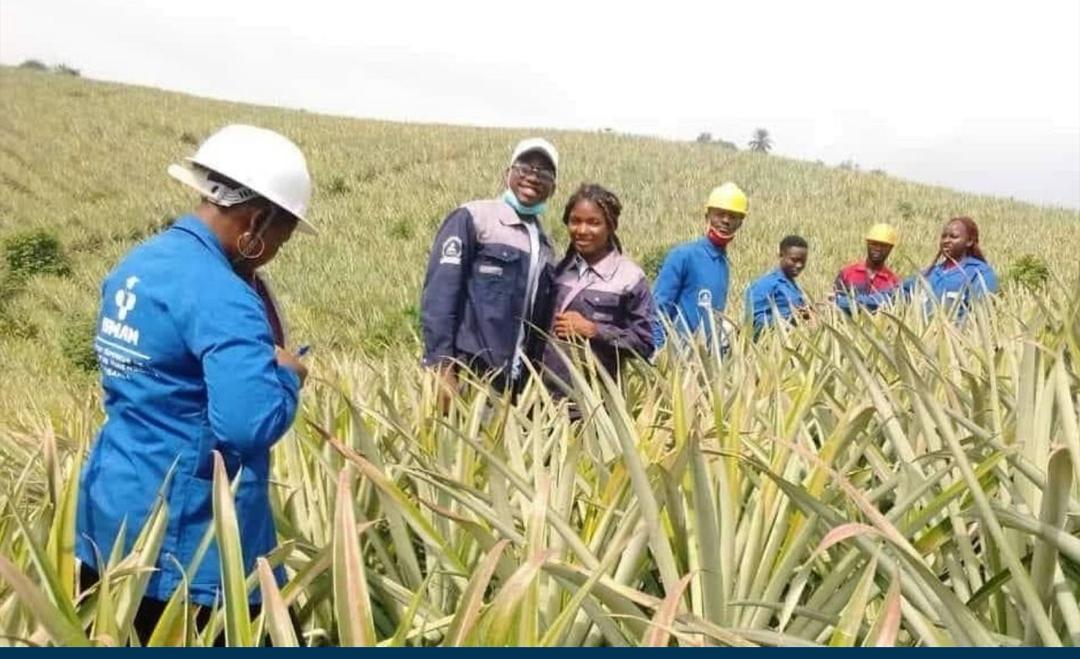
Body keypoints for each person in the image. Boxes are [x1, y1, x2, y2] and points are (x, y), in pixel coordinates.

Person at [75, 124, 313, 642]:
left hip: (110, 515)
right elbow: (247, 426)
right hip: (189, 546)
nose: (276, 250)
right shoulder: (223, 295)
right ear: (258, 219)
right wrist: (288, 376)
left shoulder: (139, 264)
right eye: (283, 236)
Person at [420, 138, 560, 401]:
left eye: (544, 173)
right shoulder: (473, 218)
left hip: (517, 384)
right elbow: (440, 295)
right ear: (507, 174)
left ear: (553, 188)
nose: (533, 177)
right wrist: (440, 365)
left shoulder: (546, 245)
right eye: (524, 168)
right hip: (470, 375)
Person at [541, 184, 655, 397]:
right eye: (575, 221)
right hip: (544, 398)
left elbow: (645, 344)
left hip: (596, 404)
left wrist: (593, 330)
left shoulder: (629, 278)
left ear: (610, 226)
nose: (582, 230)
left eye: (594, 223)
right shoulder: (557, 271)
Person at [652, 182, 748, 349]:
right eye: (720, 214)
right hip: (678, 356)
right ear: (707, 216)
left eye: (733, 216)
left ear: (740, 223)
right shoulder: (683, 256)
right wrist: (658, 353)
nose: (726, 221)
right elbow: (658, 309)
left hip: (707, 358)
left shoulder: (723, 264)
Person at [903, 216, 998, 317]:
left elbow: (981, 313)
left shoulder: (980, 273)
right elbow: (900, 293)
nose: (946, 241)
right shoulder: (930, 273)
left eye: (953, 237)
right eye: (944, 237)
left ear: (969, 241)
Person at [746, 235, 810, 337]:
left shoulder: (792, 285)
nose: (799, 265)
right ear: (781, 255)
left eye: (803, 261)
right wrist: (790, 321)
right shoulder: (766, 284)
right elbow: (754, 320)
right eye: (794, 260)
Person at [833, 223, 901, 314]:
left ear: (890, 248)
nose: (878, 248)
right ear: (867, 244)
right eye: (874, 244)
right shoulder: (847, 273)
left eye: (883, 246)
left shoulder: (893, 282)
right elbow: (833, 303)